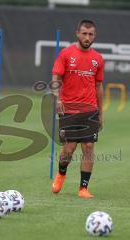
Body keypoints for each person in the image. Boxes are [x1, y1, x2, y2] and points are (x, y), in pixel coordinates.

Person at [51, 19, 104, 198]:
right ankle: (61, 173)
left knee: (88, 146)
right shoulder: (66, 54)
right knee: (69, 149)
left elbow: (98, 87)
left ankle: (83, 188)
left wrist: (101, 113)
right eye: (84, 33)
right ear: (77, 33)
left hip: (90, 109)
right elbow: (55, 78)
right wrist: (57, 99)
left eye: (90, 34)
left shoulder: (98, 59)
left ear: (94, 36)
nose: (87, 37)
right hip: (69, 108)